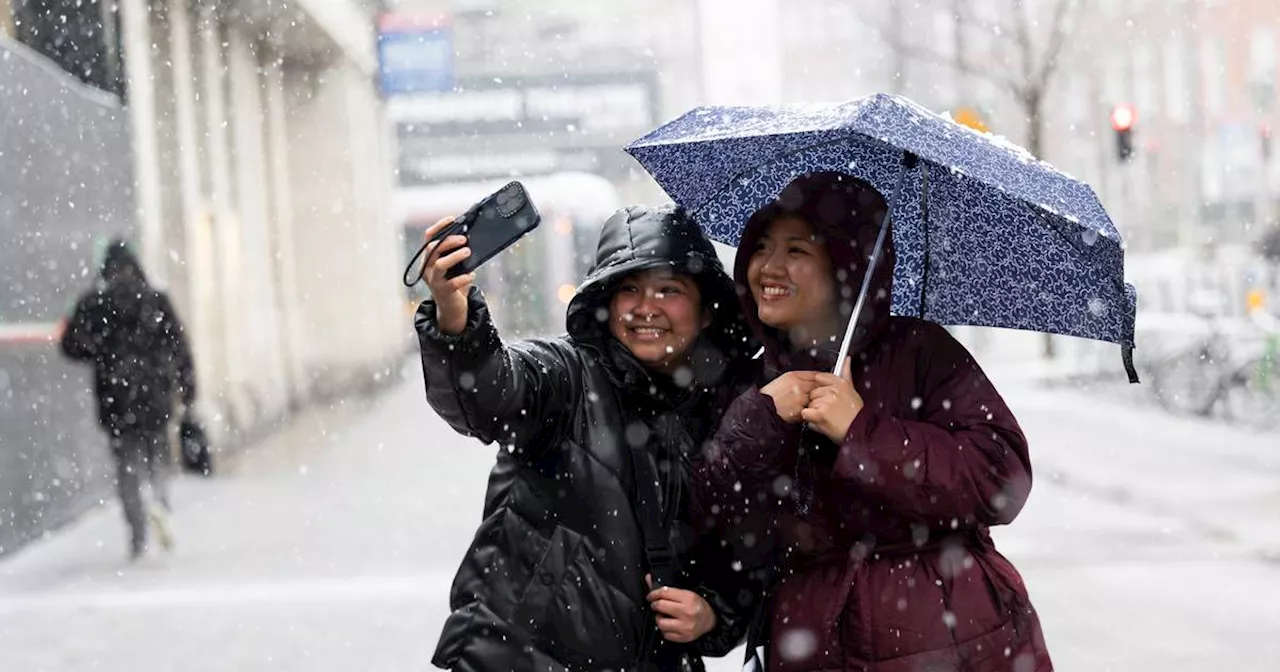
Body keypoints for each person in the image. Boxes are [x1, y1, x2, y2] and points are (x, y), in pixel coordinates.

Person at [694, 173, 1053, 671]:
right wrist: (761, 419)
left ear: (847, 265)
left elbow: (1001, 478)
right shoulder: (755, 378)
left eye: (796, 251)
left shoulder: (921, 352)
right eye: (761, 248)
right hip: (809, 638)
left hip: (948, 633)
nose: (769, 267)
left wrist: (862, 432)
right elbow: (716, 517)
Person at [416, 204, 760, 671]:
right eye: (629, 289)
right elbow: (489, 393)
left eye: (669, 290)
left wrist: (713, 615)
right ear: (605, 302)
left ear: (704, 313)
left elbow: (745, 559)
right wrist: (455, 314)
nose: (646, 307)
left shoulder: (729, 415)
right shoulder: (566, 375)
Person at [60, 239, 196, 560]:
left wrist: (91, 340)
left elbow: (71, 347)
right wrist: (189, 390)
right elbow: (179, 346)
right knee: (158, 456)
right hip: (155, 395)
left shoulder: (95, 303)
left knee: (127, 467)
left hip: (115, 399)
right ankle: (160, 503)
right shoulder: (155, 300)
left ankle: (138, 532)